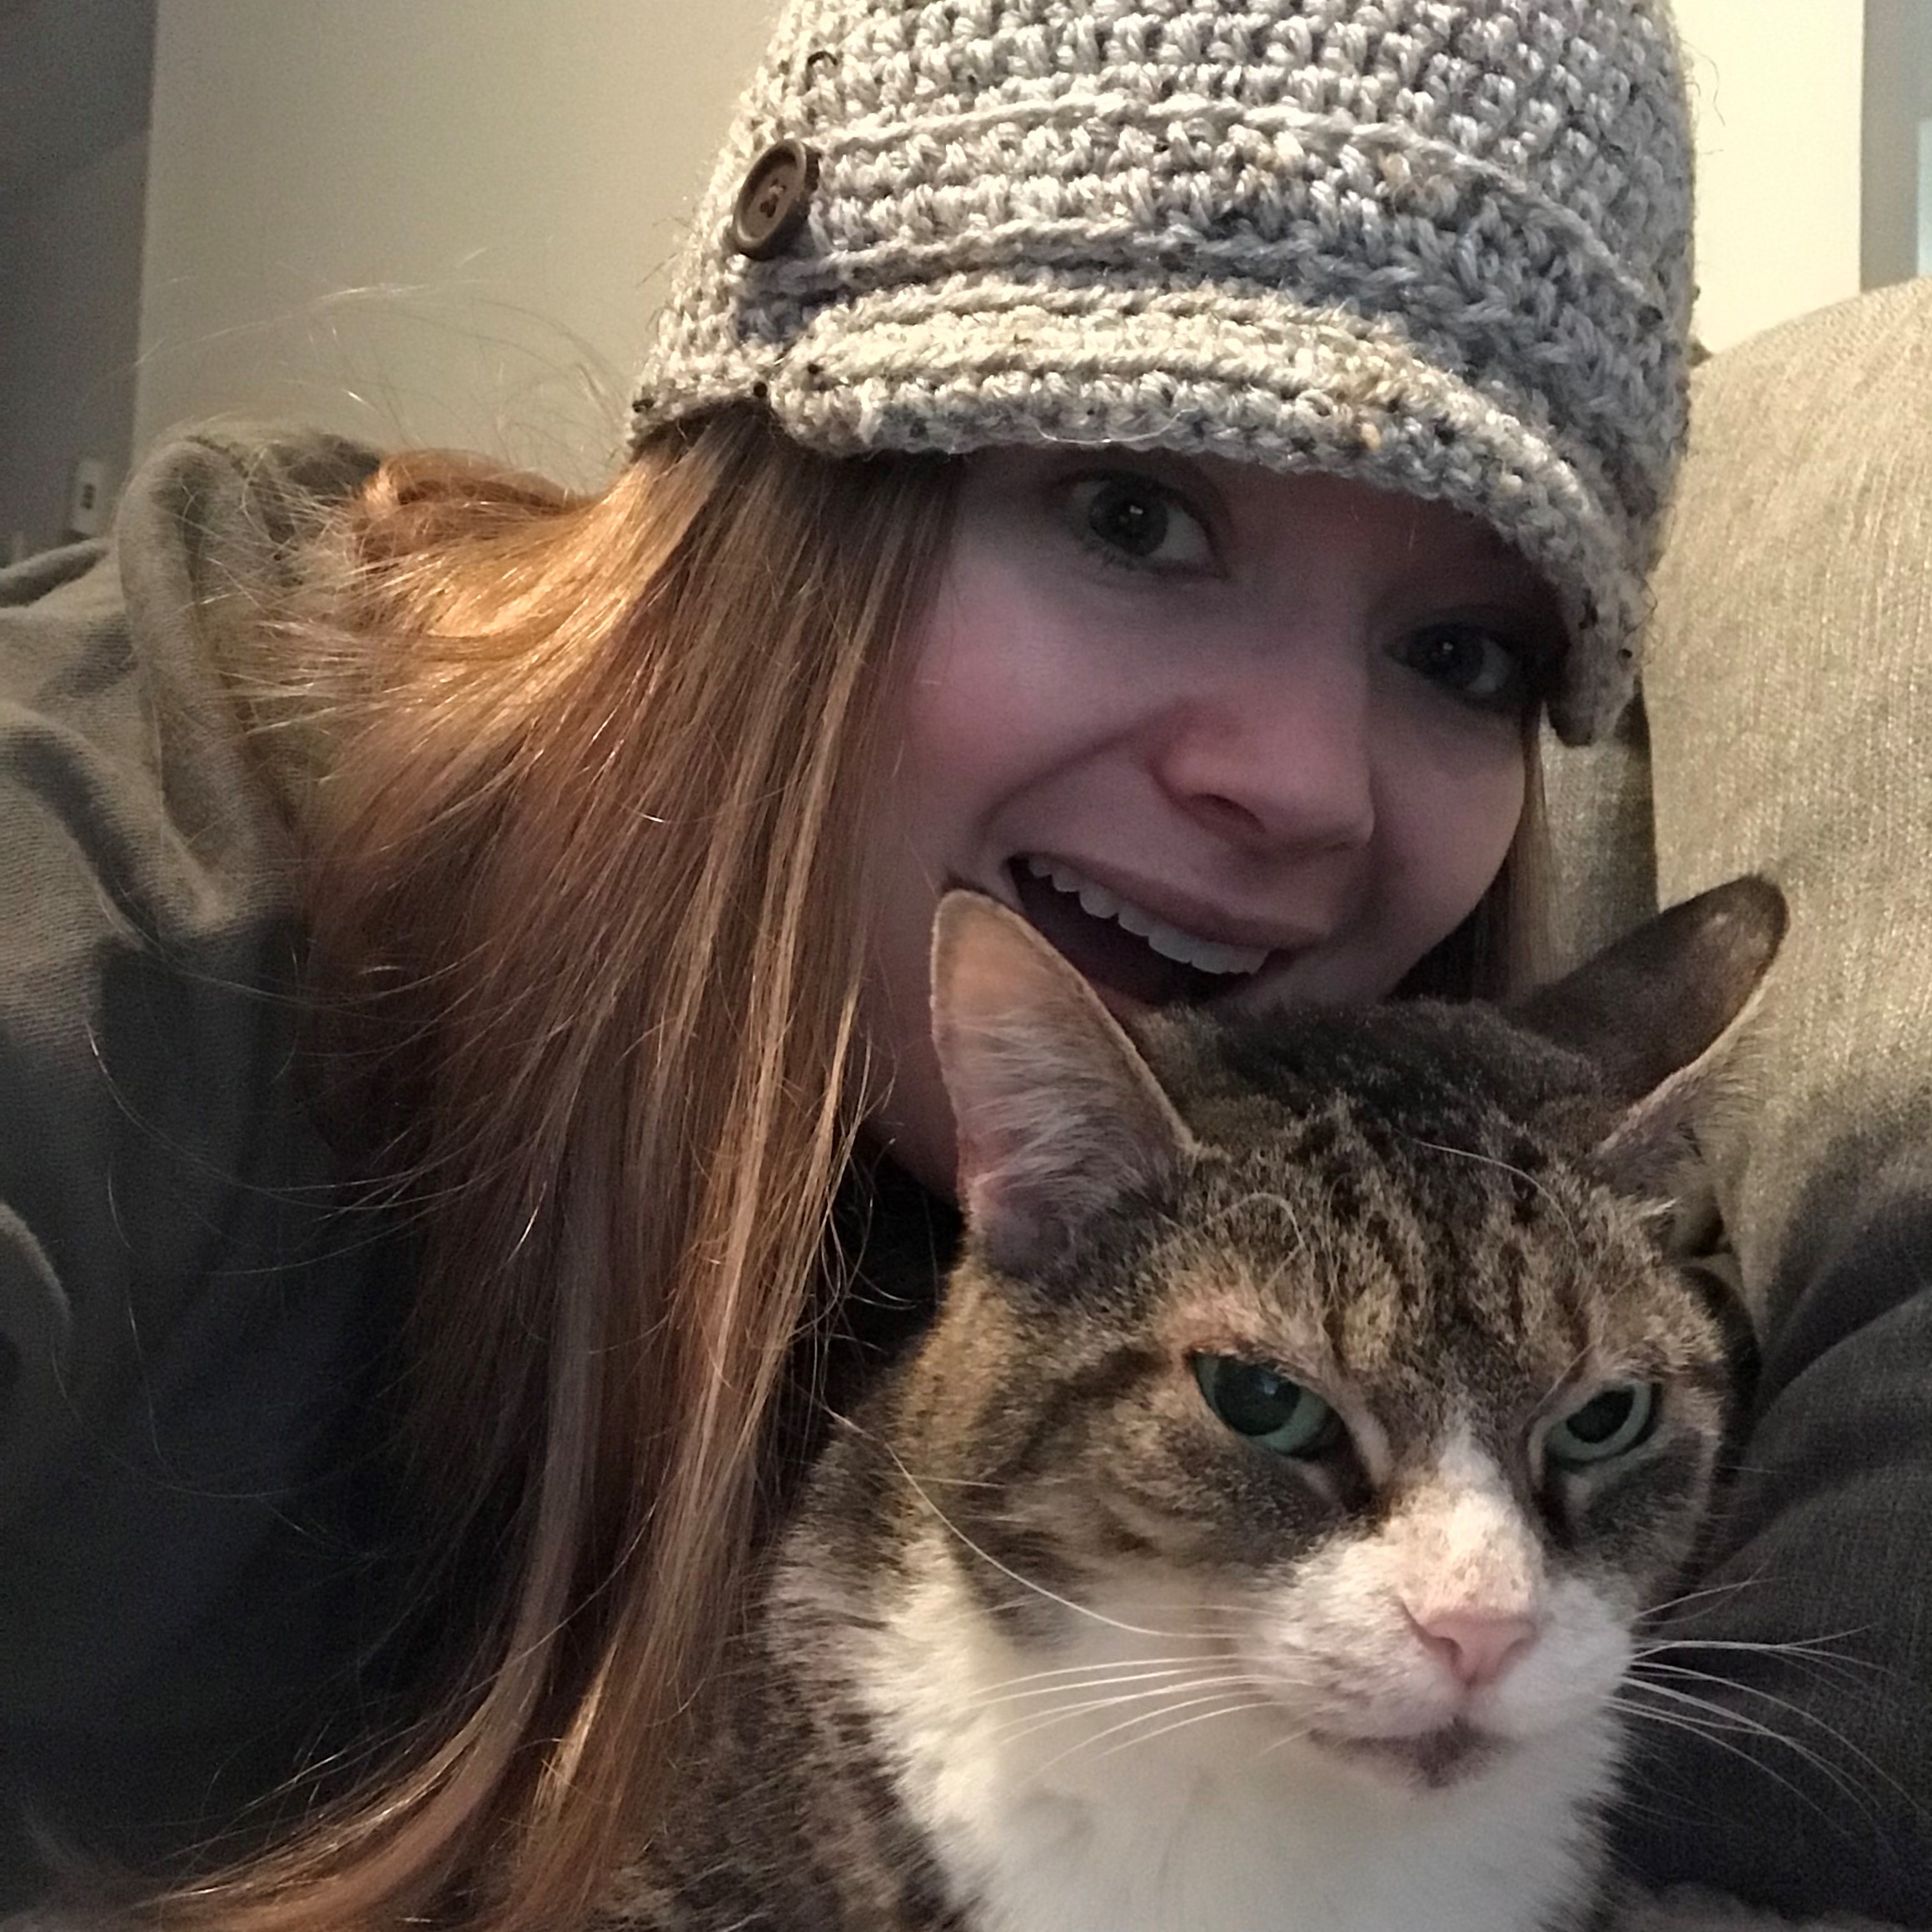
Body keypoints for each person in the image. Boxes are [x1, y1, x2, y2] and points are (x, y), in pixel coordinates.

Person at [3, 1, 1929, 1927]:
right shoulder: (149, 841)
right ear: (779, 492)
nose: (1297, 785)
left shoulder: (1349, 1157)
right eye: (1132, 510)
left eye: (1462, 655)